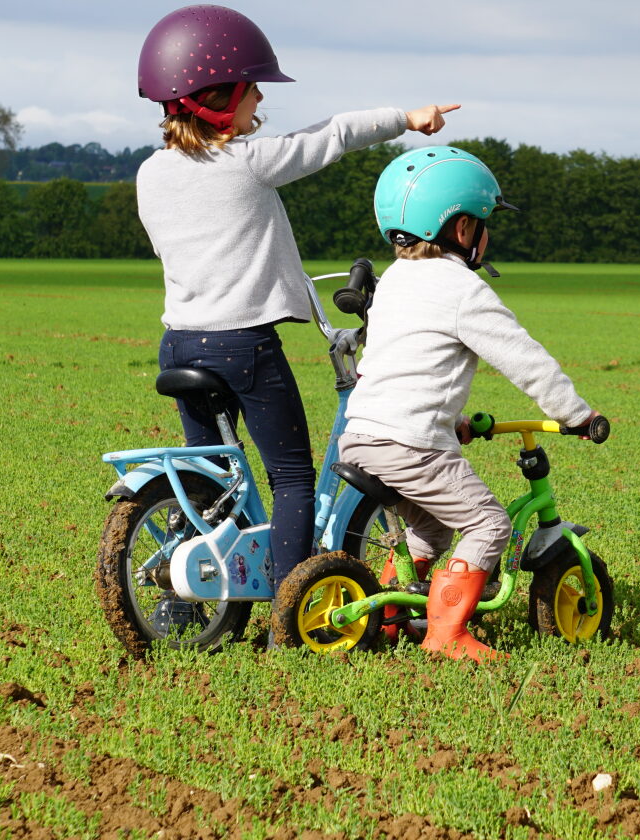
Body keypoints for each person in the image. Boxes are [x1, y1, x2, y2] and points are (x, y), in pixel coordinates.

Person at [133, 5, 459, 599]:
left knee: (212, 477)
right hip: (243, 345)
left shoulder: (148, 175)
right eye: (252, 87)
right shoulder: (248, 164)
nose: (260, 98)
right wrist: (406, 119)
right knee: (291, 478)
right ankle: (291, 606)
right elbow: (329, 135)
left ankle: (188, 600)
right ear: (218, 97)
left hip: (178, 342)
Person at [340, 146, 600, 662]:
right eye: (485, 222)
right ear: (462, 230)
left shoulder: (394, 281)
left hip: (362, 434)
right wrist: (577, 414)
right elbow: (525, 359)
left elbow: (404, 365)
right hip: (410, 443)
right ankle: (445, 634)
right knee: (489, 524)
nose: (487, 234)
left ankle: (390, 620)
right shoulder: (462, 289)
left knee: (431, 526)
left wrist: (451, 420)